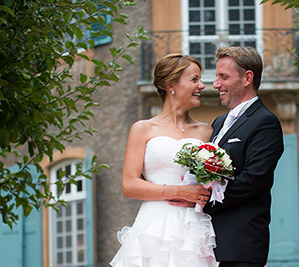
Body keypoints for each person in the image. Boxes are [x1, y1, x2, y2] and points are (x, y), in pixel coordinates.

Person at [110, 54, 219, 267]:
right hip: (153, 228)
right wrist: (178, 192)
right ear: (172, 85)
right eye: (195, 79)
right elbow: (129, 185)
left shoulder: (208, 131)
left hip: (196, 228)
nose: (202, 86)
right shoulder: (142, 129)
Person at [205, 46, 284, 266]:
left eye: (224, 77)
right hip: (207, 242)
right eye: (216, 76)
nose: (216, 84)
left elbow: (253, 179)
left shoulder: (265, 122)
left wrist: (203, 200)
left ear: (247, 78)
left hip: (240, 246)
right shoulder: (219, 122)